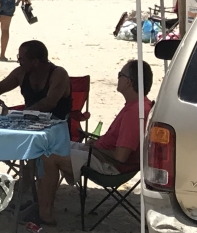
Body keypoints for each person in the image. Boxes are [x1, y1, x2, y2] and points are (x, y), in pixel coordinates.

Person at [33, 61, 152, 224]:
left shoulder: (135, 112)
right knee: (47, 144)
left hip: (109, 166)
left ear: (128, 82)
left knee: (48, 156)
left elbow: (120, 157)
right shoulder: (138, 105)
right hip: (100, 155)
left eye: (120, 76)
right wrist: (96, 144)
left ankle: (44, 213)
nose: (118, 79)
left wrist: (95, 149)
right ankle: (39, 202)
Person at [0, 40, 71, 118]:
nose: (19, 62)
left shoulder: (59, 74)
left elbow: (49, 103)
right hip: (29, 122)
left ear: (35, 62)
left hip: (57, 126)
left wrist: (22, 113)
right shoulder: (21, 72)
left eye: (22, 59)